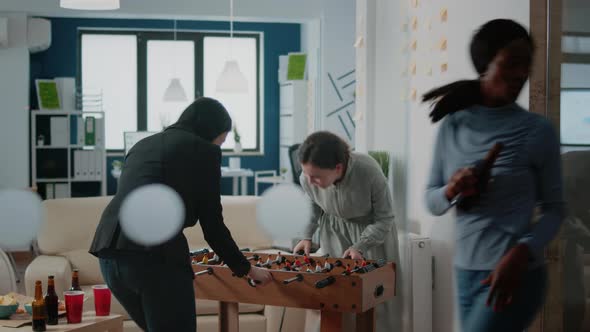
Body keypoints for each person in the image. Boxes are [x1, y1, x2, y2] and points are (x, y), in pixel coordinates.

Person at [423, 19, 564, 332]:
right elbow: (431, 200)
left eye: (526, 63)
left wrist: (522, 252)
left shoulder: (537, 131)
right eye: (512, 62)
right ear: (486, 64)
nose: (521, 73)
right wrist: (451, 190)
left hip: (516, 273)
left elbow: (556, 209)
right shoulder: (453, 125)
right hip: (465, 271)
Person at [89, 97, 272, 332]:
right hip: (153, 260)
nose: (219, 146)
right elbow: (212, 225)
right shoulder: (205, 151)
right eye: (222, 140)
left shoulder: (143, 145)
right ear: (212, 131)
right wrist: (247, 269)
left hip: (109, 256)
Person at [293, 131, 401, 331]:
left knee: (376, 306)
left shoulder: (368, 170)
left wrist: (360, 245)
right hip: (334, 233)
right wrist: (306, 235)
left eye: (316, 177)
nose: (309, 181)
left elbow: (385, 218)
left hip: (372, 236)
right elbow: (313, 205)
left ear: (338, 168)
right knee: (332, 297)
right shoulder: (307, 177)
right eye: (306, 174)